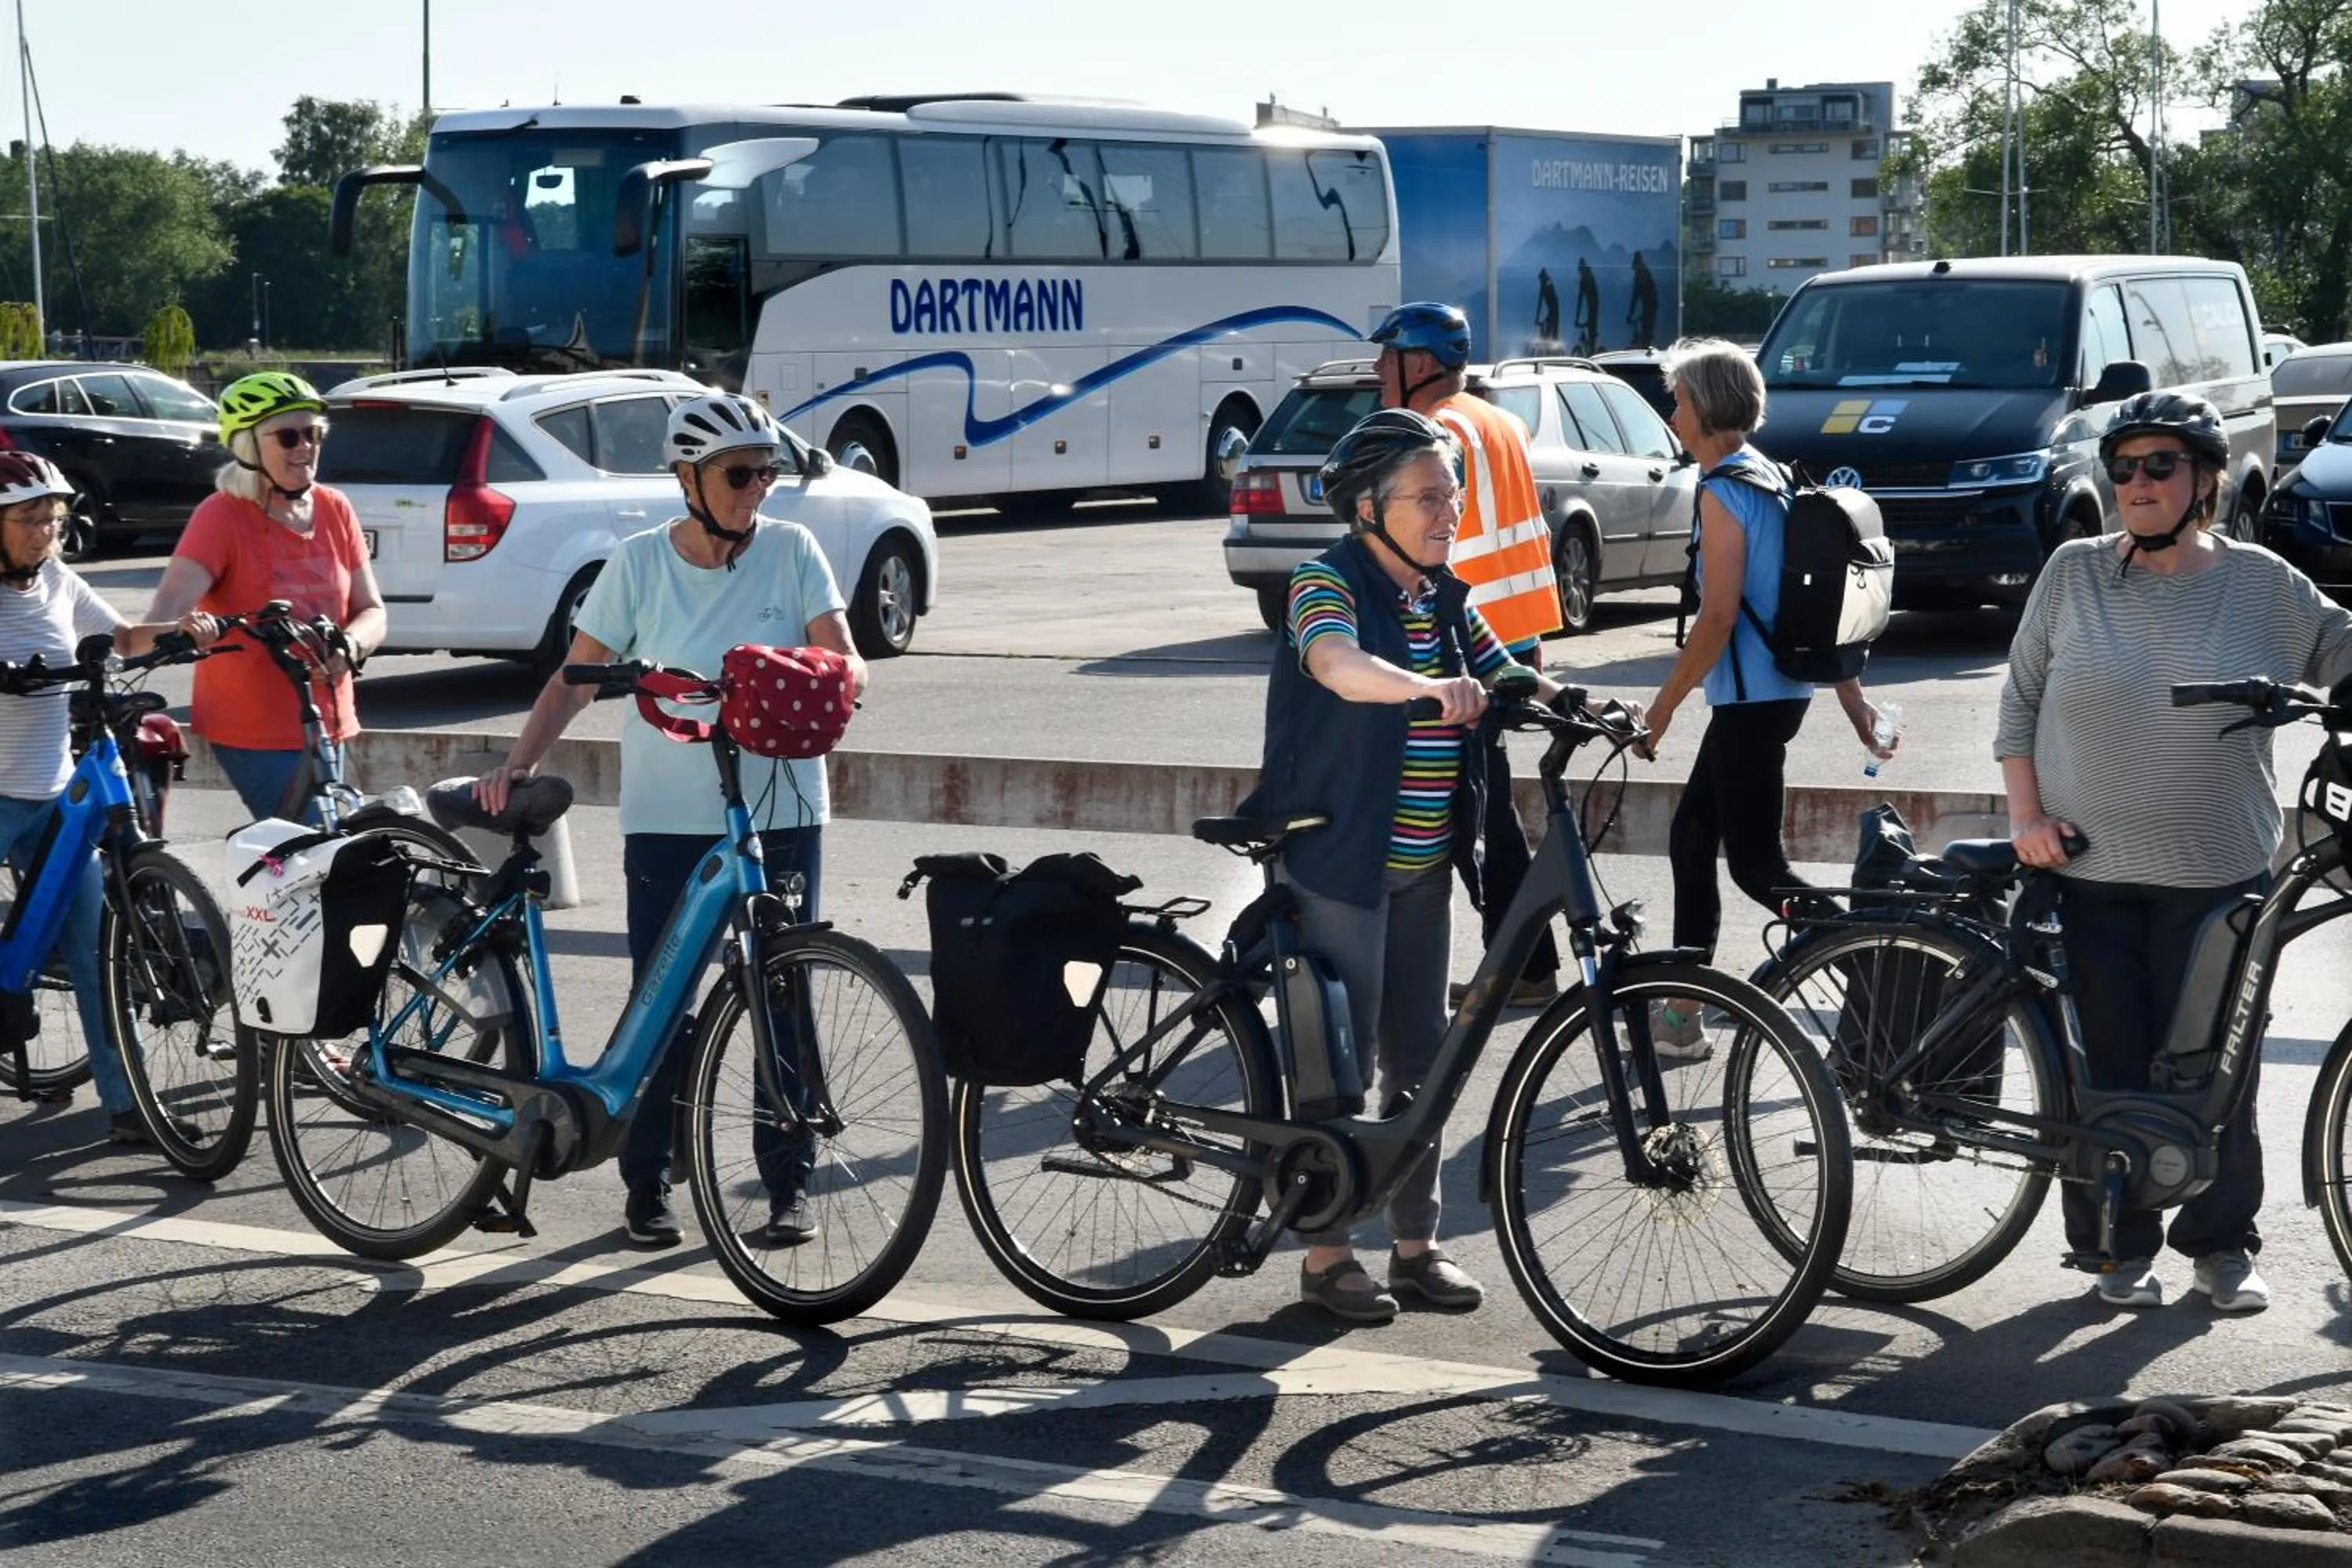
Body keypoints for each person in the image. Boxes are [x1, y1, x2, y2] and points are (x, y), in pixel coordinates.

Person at [474, 391, 868, 1249]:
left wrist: (808, 673)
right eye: (739, 473)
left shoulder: (794, 550)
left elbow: (846, 658)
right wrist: (522, 762)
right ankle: (646, 1177)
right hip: (669, 817)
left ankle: (787, 1180)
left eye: (767, 471)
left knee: (782, 991)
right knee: (661, 999)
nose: (757, 487)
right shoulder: (639, 562)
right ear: (687, 478)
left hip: (785, 808)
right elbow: (576, 676)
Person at [1999, 391, 2352, 1314]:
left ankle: (2220, 1246)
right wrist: (2027, 818)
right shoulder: (2074, 572)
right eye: (2124, 467)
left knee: (2215, 1070)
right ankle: (2117, 1249)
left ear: (2203, 479)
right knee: (2107, 1066)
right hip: (2087, 870)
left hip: (2218, 877)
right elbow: (2020, 703)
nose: (2138, 483)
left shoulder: (2264, 583)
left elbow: (2343, 653)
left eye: (2160, 465)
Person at [1237, 408, 1564, 1325]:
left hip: (1422, 865)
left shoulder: (1442, 596)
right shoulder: (1324, 581)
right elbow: (1337, 664)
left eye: (1452, 495)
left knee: (1423, 1057)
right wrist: (1422, 687)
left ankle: (1416, 1245)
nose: (1448, 511)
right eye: (1428, 497)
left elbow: (1507, 671)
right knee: (1337, 1061)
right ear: (1369, 508)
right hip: (1340, 858)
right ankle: (1329, 1253)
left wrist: (1572, 698)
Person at [1641, 339, 1891, 1058]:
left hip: (1751, 703)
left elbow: (1718, 617)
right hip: (1774, 695)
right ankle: (1684, 1016)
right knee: (1692, 839)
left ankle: (1873, 970)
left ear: (1707, 408)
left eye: (1680, 399)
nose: (1673, 412)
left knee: (1756, 866)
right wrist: (1851, 701)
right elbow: (1808, 602)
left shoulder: (1724, 490)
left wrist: (1659, 712)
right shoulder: (1775, 478)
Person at [1369, 301, 1563, 1008]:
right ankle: (1518, 964)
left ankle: (1524, 968)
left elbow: (1429, 536)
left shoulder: (1435, 429)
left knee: (1475, 815)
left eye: (1384, 358)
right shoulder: (1498, 421)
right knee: (1479, 807)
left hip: (1459, 648)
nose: (1374, 371)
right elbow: (1523, 532)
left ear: (1416, 365)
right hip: (1508, 639)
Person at [0, 452, 191, 1143]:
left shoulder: (54, 576)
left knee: (96, 951)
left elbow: (122, 636)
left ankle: (126, 1104)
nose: (44, 532)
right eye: (28, 520)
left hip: (54, 793)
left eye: (52, 519)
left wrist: (186, 631)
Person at [146, 372, 387, 822]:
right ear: (248, 447)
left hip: (326, 720)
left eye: (314, 434)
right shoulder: (220, 517)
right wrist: (179, 632)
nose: (306, 447)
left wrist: (350, 646)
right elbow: (166, 614)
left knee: (330, 854)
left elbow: (371, 611)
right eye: (289, 436)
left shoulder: (335, 508)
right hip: (253, 728)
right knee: (311, 849)